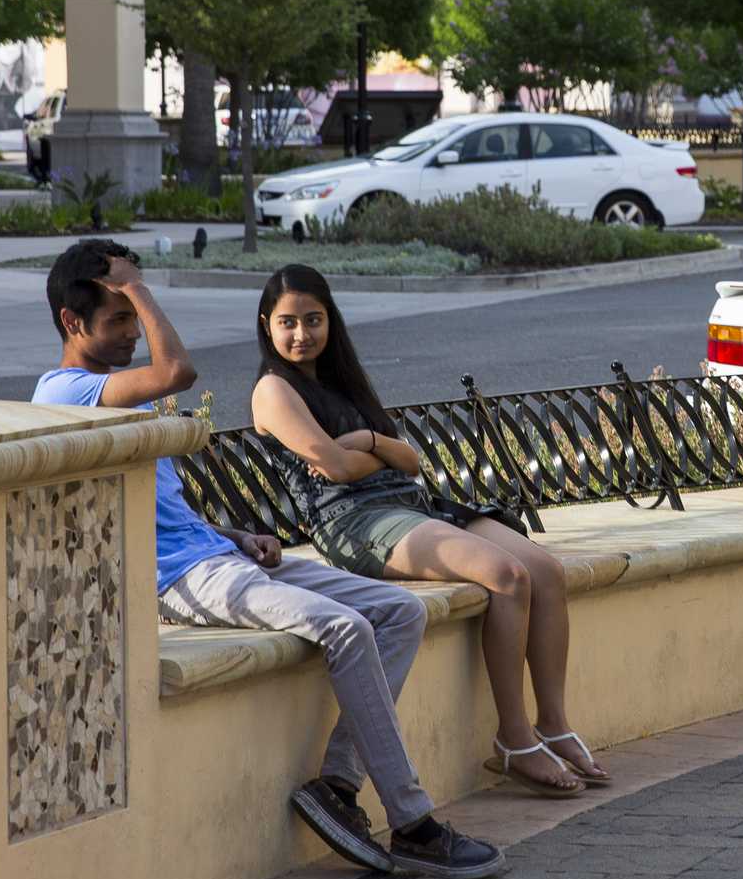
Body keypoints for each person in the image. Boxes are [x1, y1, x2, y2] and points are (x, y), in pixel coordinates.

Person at [31, 240, 505, 879]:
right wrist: (139, 288)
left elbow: (153, 505)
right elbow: (178, 372)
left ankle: (336, 787)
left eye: (132, 319)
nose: (133, 334)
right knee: (346, 626)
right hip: (178, 577)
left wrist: (229, 532)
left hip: (214, 554)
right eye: (119, 321)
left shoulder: (116, 395)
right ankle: (415, 824)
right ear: (71, 323)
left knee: (397, 611)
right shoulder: (65, 389)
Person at [253, 265, 609, 797]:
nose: (301, 334)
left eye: (313, 320)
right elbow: (337, 469)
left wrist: (367, 441)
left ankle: (552, 722)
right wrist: (372, 451)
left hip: (413, 505)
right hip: (357, 523)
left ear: (332, 322)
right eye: (288, 323)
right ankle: (513, 738)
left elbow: (411, 459)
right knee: (508, 576)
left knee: (546, 572)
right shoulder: (273, 391)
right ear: (266, 324)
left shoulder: (339, 381)